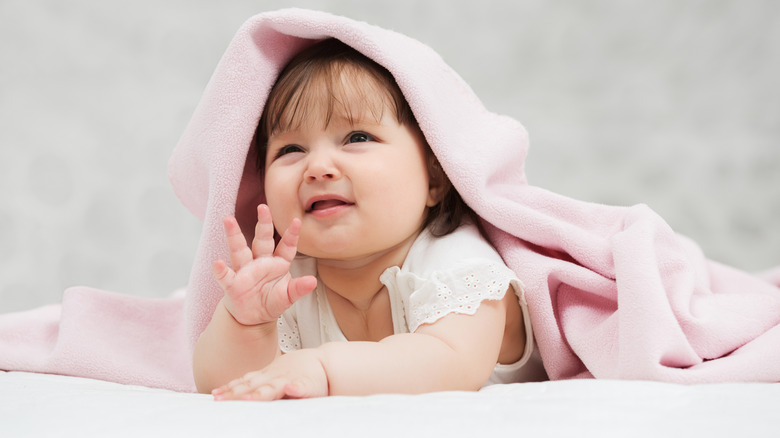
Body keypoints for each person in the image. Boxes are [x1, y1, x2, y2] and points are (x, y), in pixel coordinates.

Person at [192, 38, 541, 401]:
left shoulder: (457, 262)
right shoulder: (291, 283)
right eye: (291, 149)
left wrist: (323, 368)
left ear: (434, 178)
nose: (319, 168)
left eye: (356, 137)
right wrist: (246, 323)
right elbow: (230, 386)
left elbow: (451, 364)